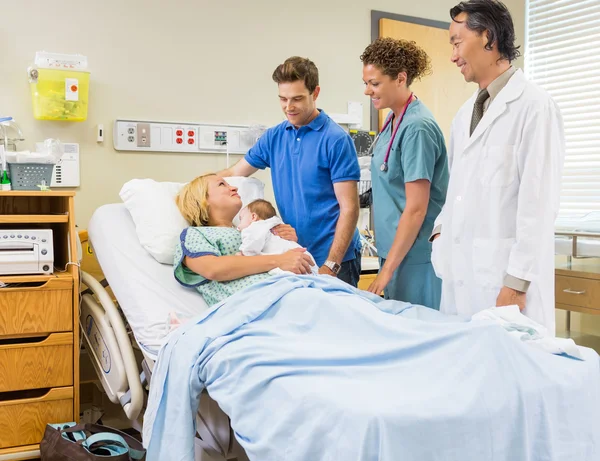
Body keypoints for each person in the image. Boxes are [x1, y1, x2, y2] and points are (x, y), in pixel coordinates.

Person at [431, 0, 565, 333]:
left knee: (513, 376)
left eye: (457, 41)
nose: (452, 55)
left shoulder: (534, 107)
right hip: (462, 281)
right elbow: (456, 193)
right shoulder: (464, 116)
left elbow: (539, 204)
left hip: (505, 288)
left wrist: (516, 283)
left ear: (488, 37)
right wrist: (440, 234)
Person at [217, 56, 362, 287]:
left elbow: (350, 208)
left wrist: (331, 265)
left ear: (315, 93)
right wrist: (197, 186)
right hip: (295, 256)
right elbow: (236, 171)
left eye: (297, 99)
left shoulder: (335, 140)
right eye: (283, 99)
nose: (288, 107)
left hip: (335, 258)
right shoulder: (274, 137)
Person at [360, 37, 449, 309]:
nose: (367, 91)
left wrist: (385, 274)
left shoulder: (417, 127)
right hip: (395, 252)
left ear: (400, 78)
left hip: (416, 256)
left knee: (423, 337)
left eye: (374, 84)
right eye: (366, 83)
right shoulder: (393, 118)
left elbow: (417, 209)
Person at [173, 173, 314, 306]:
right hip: (256, 303)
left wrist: (287, 242)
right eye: (222, 184)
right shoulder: (194, 234)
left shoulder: (256, 227)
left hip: (293, 290)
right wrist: (279, 260)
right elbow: (214, 269)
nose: (234, 188)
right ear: (202, 200)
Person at [237, 199, 319, 275]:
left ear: (253, 217)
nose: (238, 226)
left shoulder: (255, 227)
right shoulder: (274, 225)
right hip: (304, 256)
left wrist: (244, 253)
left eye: (241, 219)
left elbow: (253, 241)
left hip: (292, 259)